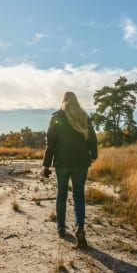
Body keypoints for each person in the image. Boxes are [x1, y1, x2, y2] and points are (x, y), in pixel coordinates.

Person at [42, 91, 98, 248]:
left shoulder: (56, 117)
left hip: (62, 162)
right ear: (76, 101)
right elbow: (92, 138)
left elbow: (50, 144)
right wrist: (94, 154)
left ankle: (61, 228)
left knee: (61, 194)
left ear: (63, 101)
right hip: (81, 161)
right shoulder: (84, 116)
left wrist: (46, 165)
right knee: (79, 196)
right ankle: (79, 228)